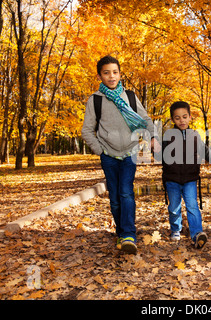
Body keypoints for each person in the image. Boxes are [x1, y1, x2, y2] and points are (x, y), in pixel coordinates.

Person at [81, 55, 160, 254]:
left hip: (130, 153)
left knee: (126, 192)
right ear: (99, 75)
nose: (111, 76)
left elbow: (146, 119)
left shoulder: (131, 97)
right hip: (108, 155)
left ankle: (129, 235)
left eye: (115, 72)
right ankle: (121, 233)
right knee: (115, 198)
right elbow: (87, 130)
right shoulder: (95, 100)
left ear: (120, 73)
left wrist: (153, 137)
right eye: (106, 73)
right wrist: (100, 150)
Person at [161, 101, 211, 248]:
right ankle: (176, 229)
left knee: (192, 206)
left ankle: (196, 234)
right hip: (172, 179)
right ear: (172, 119)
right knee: (174, 207)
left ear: (189, 117)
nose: (181, 120)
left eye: (184, 116)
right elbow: (161, 155)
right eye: (177, 118)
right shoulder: (168, 137)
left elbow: (205, 151)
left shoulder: (195, 136)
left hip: (190, 179)